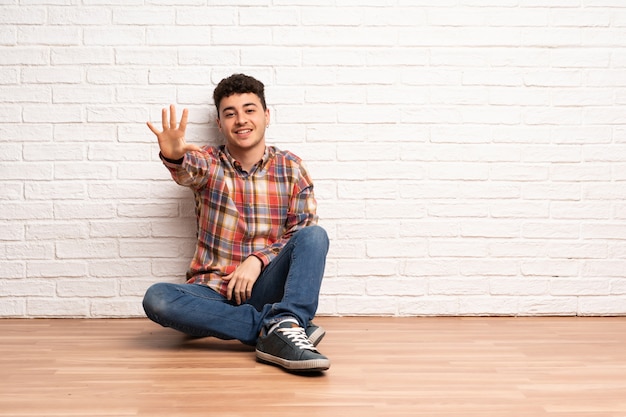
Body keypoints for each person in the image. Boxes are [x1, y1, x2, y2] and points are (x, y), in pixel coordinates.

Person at [142, 73, 330, 372]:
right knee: (158, 299)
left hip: (264, 288)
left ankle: (282, 320)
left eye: (249, 110)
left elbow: (303, 230)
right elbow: (186, 169)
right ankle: (281, 326)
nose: (241, 120)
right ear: (220, 123)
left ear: (266, 116)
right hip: (212, 292)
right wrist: (173, 155)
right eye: (230, 113)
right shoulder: (208, 161)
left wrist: (257, 260)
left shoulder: (291, 167)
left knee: (315, 236)